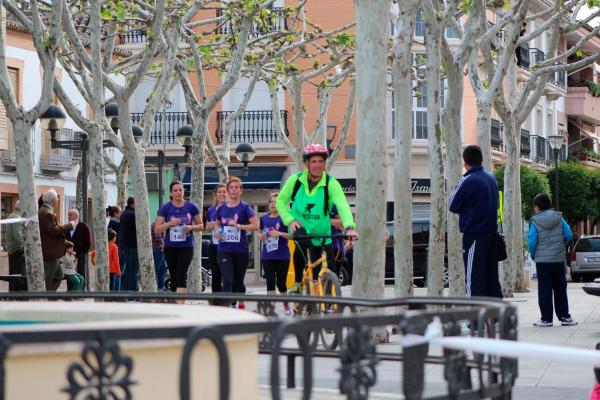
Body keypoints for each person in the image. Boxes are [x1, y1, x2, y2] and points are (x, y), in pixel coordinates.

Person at [275, 143, 357, 294]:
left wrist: (350, 227)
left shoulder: (331, 183)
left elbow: (342, 205)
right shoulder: (295, 181)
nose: (317, 165)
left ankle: (329, 303)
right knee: (305, 252)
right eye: (313, 161)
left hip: (323, 233)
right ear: (306, 164)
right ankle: (300, 282)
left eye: (321, 161)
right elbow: (280, 201)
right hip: (300, 227)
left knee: (329, 268)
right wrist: (290, 220)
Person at [448, 145, 503, 298]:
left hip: (475, 235)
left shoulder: (467, 180)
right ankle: (498, 317)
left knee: (473, 279)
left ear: (465, 162)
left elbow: (452, 204)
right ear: (482, 159)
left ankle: (474, 319)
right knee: (492, 279)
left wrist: (467, 210)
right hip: (492, 234)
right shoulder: (491, 178)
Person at [528, 193, 577, 327]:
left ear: (537, 207)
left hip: (543, 261)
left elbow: (532, 242)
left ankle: (546, 319)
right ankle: (565, 317)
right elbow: (568, 235)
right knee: (560, 287)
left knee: (544, 289)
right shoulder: (559, 218)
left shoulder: (535, 221)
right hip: (558, 259)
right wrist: (561, 246)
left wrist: (534, 255)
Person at [214, 176, 259, 309]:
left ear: (241, 190)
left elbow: (256, 226)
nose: (234, 190)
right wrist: (217, 232)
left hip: (241, 251)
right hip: (224, 250)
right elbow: (217, 224)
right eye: (231, 188)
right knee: (227, 281)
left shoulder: (245, 208)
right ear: (228, 191)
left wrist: (239, 226)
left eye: (236, 188)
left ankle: (241, 304)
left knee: (238, 282)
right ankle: (227, 309)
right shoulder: (221, 209)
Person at [155, 181, 203, 294]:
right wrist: (169, 224)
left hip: (186, 247)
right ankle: (174, 304)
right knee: (173, 276)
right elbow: (157, 229)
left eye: (180, 190)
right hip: (170, 247)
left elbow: (201, 225)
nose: (178, 192)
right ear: (171, 193)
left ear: (183, 192)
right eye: (175, 190)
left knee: (181, 276)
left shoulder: (191, 207)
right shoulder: (165, 208)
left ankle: (180, 305)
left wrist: (191, 227)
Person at [259, 192, 291, 316]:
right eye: (271, 202)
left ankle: (285, 303)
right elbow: (260, 235)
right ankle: (271, 309)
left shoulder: (285, 218)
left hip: (282, 255)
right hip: (267, 256)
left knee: (281, 283)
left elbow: (291, 236)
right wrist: (265, 235)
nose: (273, 204)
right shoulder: (263, 218)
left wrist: (280, 234)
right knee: (270, 282)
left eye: (276, 202)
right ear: (268, 204)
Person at [38, 189, 76, 291]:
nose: (57, 201)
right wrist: (70, 226)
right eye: (57, 199)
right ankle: (46, 297)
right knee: (48, 278)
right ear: (54, 201)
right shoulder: (46, 213)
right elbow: (53, 231)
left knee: (59, 275)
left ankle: (50, 295)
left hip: (53, 252)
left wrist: (66, 242)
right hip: (50, 253)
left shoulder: (46, 211)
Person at [205, 184, 227, 293]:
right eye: (220, 192)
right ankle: (216, 300)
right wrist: (218, 223)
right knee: (216, 274)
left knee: (227, 275)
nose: (222, 194)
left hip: (228, 246)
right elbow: (207, 226)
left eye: (224, 192)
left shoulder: (232, 209)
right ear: (216, 194)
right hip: (214, 246)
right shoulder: (211, 210)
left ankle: (230, 301)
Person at [118, 197, 139, 291]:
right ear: (133, 203)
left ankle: (125, 291)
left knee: (128, 271)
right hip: (132, 246)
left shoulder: (124, 213)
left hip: (124, 245)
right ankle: (132, 293)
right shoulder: (132, 214)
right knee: (133, 271)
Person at [5, 201, 26, 291]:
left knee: (13, 275)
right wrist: (25, 249)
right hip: (17, 251)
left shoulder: (13, 216)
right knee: (17, 276)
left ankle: (12, 295)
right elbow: (18, 237)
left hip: (13, 250)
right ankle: (15, 296)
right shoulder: (16, 218)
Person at [67, 209, 92, 287]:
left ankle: (81, 291)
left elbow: (88, 242)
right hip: (68, 255)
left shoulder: (83, 226)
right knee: (69, 273)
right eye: (68, 215)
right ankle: (70, 292)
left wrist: (82, 253)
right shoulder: (67, 226)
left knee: (81, 273)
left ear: (76, 216)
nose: (68, 217)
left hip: (80, 255)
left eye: (70, 215)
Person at [150, 219, 167, 290]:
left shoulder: (162, 224)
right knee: (156, 269)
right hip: (157, 250)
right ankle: (155, 287)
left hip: (160, 250)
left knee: (162, 269)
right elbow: (158, 239)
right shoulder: (156, 225)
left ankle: (160, 287)